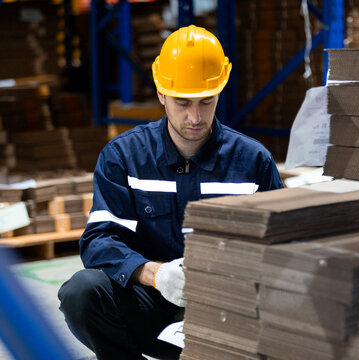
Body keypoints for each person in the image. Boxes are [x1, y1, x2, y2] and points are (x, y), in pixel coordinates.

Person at [58, 25, 284, 360]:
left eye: (206, 101)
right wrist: (157, 274)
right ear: (161, 93)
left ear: (220, 91)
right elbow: (99, 241)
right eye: (182, 102)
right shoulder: (125, 157)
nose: (195, 117)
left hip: (227, 310)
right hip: (149, 305)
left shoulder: (252, 162)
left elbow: (282, 246)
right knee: (81, 292)